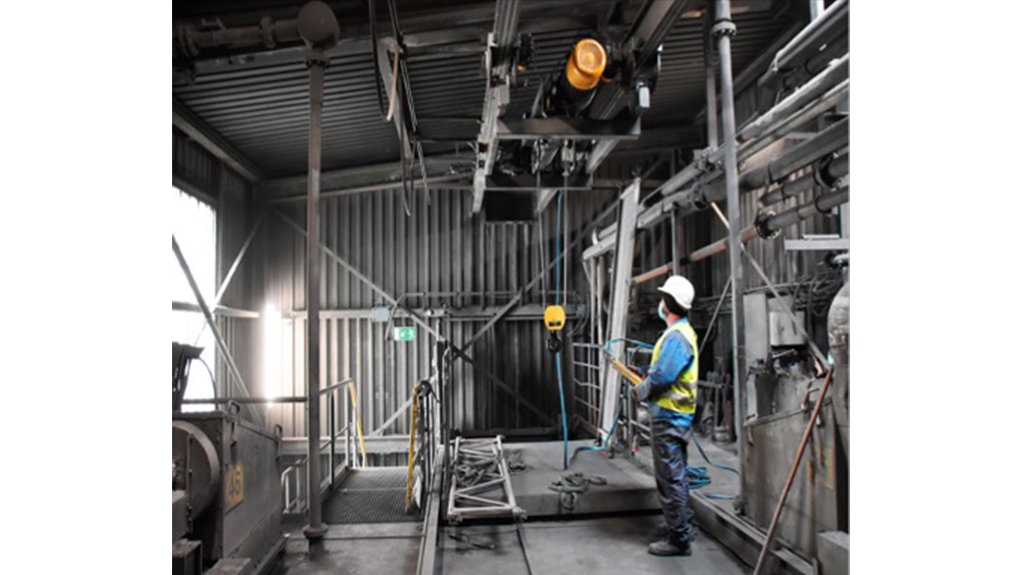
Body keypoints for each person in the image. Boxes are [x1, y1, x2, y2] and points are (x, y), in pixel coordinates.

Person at [632, 274, 699, 557]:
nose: (660, 304)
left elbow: (662, 378)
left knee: (669, 477)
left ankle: (679, 539)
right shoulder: (683, 333)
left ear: (669, 304)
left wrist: (642, 388)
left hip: (670, 417)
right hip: (678, 416)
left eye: (663, 299)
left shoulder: (676, 337)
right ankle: (681, 524)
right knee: (677, 475)